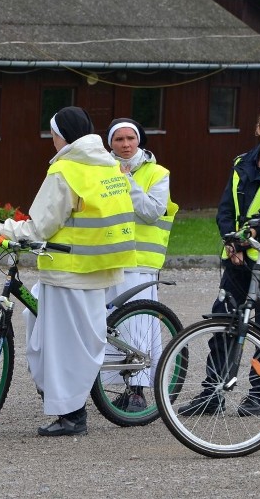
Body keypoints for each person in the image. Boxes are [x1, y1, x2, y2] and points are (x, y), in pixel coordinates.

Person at [0, 106, 136, 437]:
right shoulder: (108, 165)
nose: (52, 140)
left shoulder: (67, 169)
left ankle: (72, 415)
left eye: (53, 134)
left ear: (61, 135)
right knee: (38, 321)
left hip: (69, 270)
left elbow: (42, 226)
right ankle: (56, 395)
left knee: (65, 345)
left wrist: (3, 230)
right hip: (97, 266)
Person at [178, 106, 260, 417]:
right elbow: (225, 209)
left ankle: (259, 395)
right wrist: (232, 243)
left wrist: (247, 241)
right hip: (236, 260)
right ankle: (212, 393)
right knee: (223, 324)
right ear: (258, 130)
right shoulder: (241, 163)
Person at [102, 118, 179, 413]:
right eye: (118, 139)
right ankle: (114, 386)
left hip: (140, 263)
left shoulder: (158, 173)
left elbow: (151, 211)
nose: (125, 145)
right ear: (110, 143)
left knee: (139, 326)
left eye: (130, 139)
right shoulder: (100, 170)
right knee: (111, 328)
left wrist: (125, 181)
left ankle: (138, 390)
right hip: (109, 259)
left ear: (139, 141)